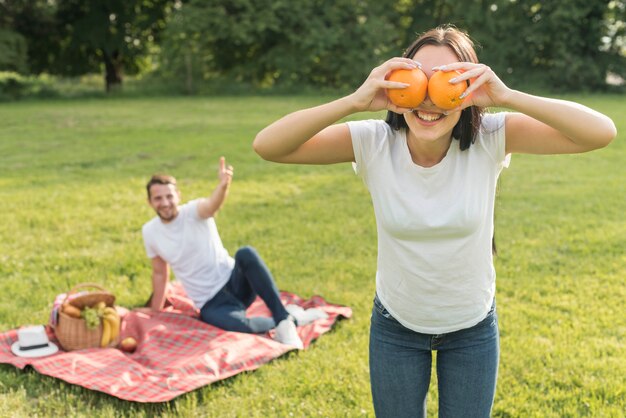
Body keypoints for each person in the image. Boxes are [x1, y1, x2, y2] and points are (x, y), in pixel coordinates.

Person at [253, 25, 616, 417]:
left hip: (472, 328)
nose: (429, 100)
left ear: (468, 88)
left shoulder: (490, 137)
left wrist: (507, 96)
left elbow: (600, 132)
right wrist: (354, 101)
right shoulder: (373, 142)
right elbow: (268, 145)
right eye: (417, 80)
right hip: (396, 326)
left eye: (446, 81)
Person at [141, 157, 327, 349]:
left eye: (169, 196)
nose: (165, 202)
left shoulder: (193, 211)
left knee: (246, 253)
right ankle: (292, 319)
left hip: (236, 284)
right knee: (240, 327)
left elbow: (212, 204)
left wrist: (223, 186)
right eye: (158, 198)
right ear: (150, 202)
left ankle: (281, 317)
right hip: (211, 304)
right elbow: (160, 273)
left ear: (178, 195)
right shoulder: (150, 232)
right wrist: (155, 312)